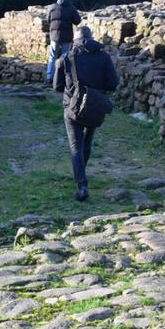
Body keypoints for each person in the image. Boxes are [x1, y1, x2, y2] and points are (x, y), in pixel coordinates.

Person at [53, 26, 119, 202]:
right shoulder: (104, 57)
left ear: (75, 40)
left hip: (72, 107)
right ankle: (81, 173)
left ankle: (82, 184)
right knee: (87, 141)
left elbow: (57, 87)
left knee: (76, 146)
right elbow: (113, 83)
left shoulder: (66, 58)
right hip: (95, 105)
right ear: (91, 38)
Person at [41, 0, 81, 85]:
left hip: (54, 36)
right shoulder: (71, 8)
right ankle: (62, 79)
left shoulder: (52, 7)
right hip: (67, 37)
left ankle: (50, 77)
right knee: (65, 58)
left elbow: (48, 19)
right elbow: (77, 21)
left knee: (52, 57)